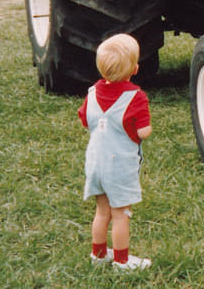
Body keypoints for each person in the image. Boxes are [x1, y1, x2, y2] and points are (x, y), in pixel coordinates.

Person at [78, 34, 152, 271]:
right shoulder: (136, 97)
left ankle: (98, 254)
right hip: (119, 166)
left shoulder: (91, 93)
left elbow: (85, 119)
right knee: (121, 214)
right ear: (135, 68)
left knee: (102, 211)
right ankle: (122, 260)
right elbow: (143, 132)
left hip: (96, 164)